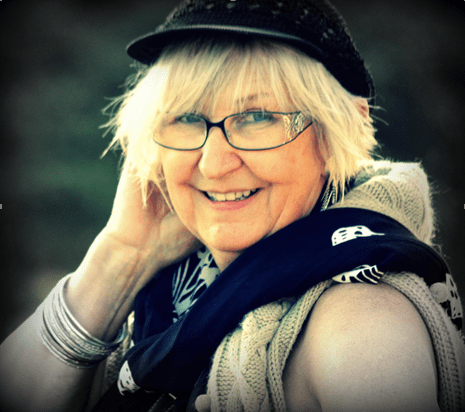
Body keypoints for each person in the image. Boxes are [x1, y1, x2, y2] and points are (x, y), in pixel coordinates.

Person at [0, 0, 464, 411]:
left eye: (257, 117)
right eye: (186, 117)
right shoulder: (170, 296)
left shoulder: (361, 320)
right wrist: (123, 255)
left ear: (337, 132)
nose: (214, 164)